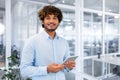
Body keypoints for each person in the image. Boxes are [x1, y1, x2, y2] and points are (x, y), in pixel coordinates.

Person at [20, 5, 75, 80]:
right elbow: (24, 70)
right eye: (48, 18)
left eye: (55, 18)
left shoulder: (63, 42)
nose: (51, 21)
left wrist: (68, 67)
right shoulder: (32, 41)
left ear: (58, 21)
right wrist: (47, 69)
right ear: (43, 21)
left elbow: (64, 67)